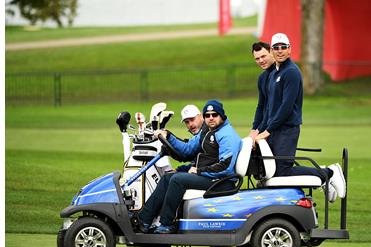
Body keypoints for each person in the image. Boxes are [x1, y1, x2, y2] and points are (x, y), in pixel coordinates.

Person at [254, 33, 346, 202]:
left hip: (287, 129)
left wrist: (267, 131)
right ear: (272, 51)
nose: (280, 51)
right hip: (275, 129)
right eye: (276, 48)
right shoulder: (274, 74)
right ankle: (322, 176)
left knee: (283, 170)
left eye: (283, 47)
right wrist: (259, 130)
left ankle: (328, 173)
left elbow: (286, 108)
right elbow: (269, 108)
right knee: (272, 170)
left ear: (290, 49)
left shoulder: (291, 72)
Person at [137, 99, 242, 234]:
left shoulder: (227, 135)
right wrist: (168, 136)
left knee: (178, 180)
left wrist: (199, 171)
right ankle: (144, 220)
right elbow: (188, 149)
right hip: (211, 176)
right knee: (168, 177)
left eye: (214, 115)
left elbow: (225, 167)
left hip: (222, 181)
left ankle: (166, 224)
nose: (211, 118)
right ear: (204, 117)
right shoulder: (209, 131)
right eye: (207, 115)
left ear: (222, 116)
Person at [248, 42, 275, 141]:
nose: (261, 60)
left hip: (277, 128)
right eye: (257, 58)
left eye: (263, 56)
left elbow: (271, 107)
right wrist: (254, 129)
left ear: (271, 53)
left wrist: (259, 129)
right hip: (265, 128)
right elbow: (261, 106)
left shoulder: (279, 74)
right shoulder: (262, 78)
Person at [175, 104, 207, 172]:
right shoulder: (201, 131)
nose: (190, 125)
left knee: (173, 179)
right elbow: (197, 161)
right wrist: (180, 169)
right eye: (187, 122)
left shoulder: (206, 131)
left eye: (192, 119)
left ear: (201, 116)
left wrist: (168, 136)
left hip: (211, 176)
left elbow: (187, 151)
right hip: (204, 170)